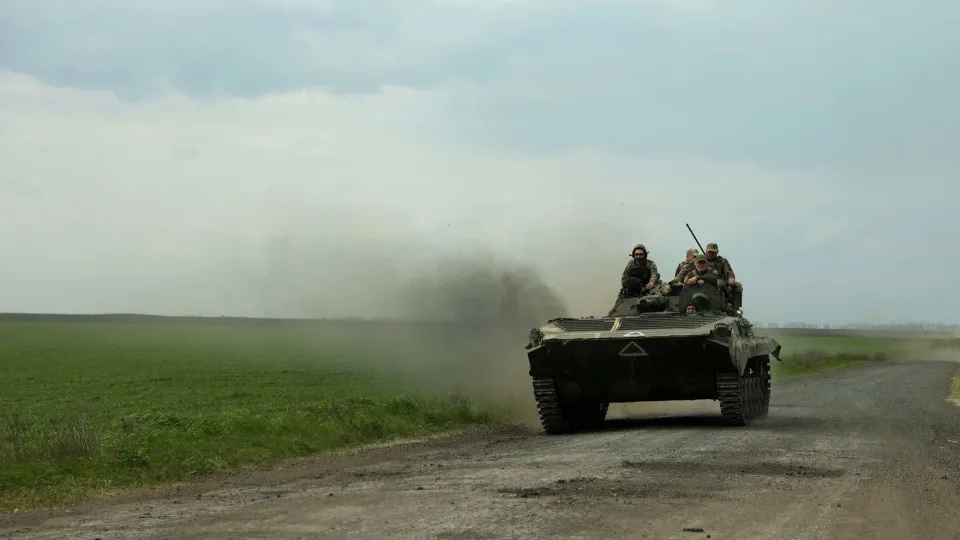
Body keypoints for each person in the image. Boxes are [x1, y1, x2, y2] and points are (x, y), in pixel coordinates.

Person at [704, 242, 742, 310]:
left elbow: (730, 273)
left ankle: (735, 307)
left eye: (713, 252)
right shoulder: (701, 260)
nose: (711, 254)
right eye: (709, 252)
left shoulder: (722, 261)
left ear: (717, 252)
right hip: (704, 281)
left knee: (738, 286)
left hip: (720, 282)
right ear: (706, 251)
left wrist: (730, 283)